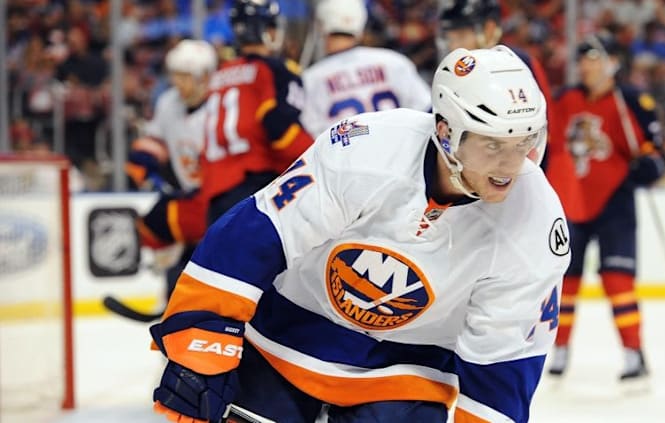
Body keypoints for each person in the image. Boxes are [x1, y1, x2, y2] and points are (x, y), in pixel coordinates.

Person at [149, 45, 570, 423]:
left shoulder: (536, 223)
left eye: (523, 142)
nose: (511, 165)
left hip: (409, 369)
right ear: (446, 132)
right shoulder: (367, 148)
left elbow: (503, 364)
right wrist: (201, 331)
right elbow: (262, 230)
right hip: (288, 333)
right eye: (493, 145)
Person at [547, 32, 665, 382]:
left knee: (618, 280)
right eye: (582, 59)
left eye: (593, 58)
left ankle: (633, 353)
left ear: (612, 63)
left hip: (615, 201)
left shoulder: (630, 100)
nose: (584, 65)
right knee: (565, 282)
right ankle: (560, 349)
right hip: (570, 200)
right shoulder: (565, 98)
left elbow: (652, 148)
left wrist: (649, 163)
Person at [436, 0, 582, 218]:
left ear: (488, 29)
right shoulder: (462, 76)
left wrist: (530, 190)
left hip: (536, 181)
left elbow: (536, 135)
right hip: (491, 184)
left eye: (461, 35)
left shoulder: (512, 66)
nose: (453, 44)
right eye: (450, 37)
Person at [125, 39, 217, 314]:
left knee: (168, 227)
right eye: (176, 75)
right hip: (190, 194)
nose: (179, 83)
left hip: (221, 198)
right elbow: (155, 139)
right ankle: (175, 289)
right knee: (152, 228)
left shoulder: (222, 105)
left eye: (185, 76)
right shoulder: (168, 103)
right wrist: (144, 163)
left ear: (205, 76)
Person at [200, 0, 313, 224]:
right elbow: (279, 129)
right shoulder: (274, 70)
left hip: (214, 194)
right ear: (266, 30)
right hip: (256, 188)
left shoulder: (220, 73)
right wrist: (317, 157)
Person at [299, 0, 432, 138]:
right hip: (398, 151)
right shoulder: (394, 61)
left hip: (345, 156)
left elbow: (308, 136)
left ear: (322, 25)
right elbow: (427, 111)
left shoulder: (311, 78)